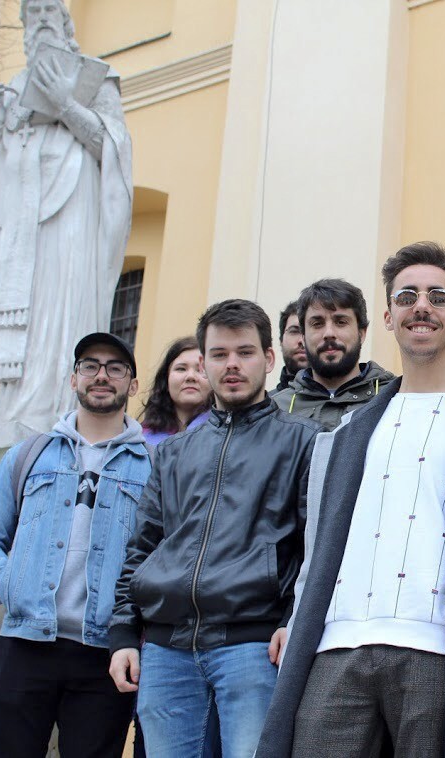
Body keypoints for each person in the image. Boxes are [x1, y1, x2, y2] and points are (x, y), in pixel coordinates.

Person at [258, 242, 445, 758]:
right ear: (388, 317)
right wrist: (296, 619)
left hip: (440, 650)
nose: (422, 306)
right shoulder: (344, 435)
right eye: (407, 296)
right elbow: (319, 549)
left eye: (438, 297)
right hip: (336, 646)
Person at [108, 299, 320, 758]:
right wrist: (124, 634)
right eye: (219, 354)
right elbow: (142, 546)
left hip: (253, 647)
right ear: (203, 363)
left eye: (245, 352)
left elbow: (316, 549)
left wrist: (292, 620)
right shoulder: (174, 452)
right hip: (166, 650)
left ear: (269, 358)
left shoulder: (304, 442)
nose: (232, 365)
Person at [0, 0, 132, 440]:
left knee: (54, 310)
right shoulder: (10, 91)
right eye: (31, 13)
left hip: (67, 222)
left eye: (47, 12)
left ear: (65, 22)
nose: (39, 21)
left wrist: (64, 104)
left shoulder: (93, 79)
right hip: (11, 227)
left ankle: (47, 413)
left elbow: (112, 146)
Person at [0, 332, 149, 758]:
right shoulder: (27, 455)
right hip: (24, 642)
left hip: (105, 651)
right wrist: (7, 581)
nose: (101, 376)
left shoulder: (153, 468)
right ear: (73, 378)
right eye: (90, 366)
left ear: (132, 384)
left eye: (115, 367)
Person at [273, 278, 396, 429]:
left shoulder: (394, 399)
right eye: (317, 324)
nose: (329, 333)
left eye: (341, 322)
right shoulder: (275, 411)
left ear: (361, 333)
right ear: (303, 337)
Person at [138, 335, 210, 445]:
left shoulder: (229, 435)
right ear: (166, 379)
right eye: (181, 369)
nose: (190, 376)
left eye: (200, 370)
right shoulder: (141, 440)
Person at [275, 301, 308, 394]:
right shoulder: (267, 402)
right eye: (294, 331)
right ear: (281, 340)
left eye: (308, 332)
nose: (302, 341)